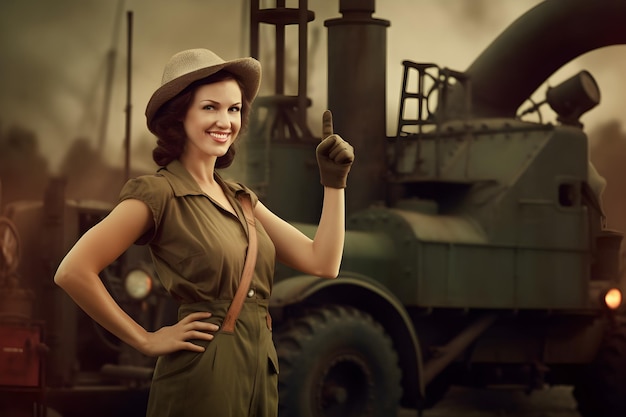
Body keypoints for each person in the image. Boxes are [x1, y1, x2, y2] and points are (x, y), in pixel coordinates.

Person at [53, 48, 354, 417]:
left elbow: (322, 262)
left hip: (260, 367)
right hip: (204, 374)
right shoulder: (158, 193)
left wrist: (334, 182)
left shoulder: (242, 198)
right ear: (179, 117)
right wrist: (145, 339)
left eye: (234, 109)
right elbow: (73, 271)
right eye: (210, 107)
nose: (225, 121)